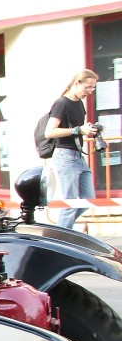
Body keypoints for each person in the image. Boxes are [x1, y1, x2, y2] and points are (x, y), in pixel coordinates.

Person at [44, 69, 100, 230]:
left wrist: (88, 129)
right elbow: (49, 132)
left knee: (88, 200)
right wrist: (78, 130)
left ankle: (61, 231)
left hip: (78, 156)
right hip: (65, 156)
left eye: (92, 88)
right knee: (70, 203)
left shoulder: (78, 104)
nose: (89, 92)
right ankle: (61, 237)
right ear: (77, 83)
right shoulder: (61, 104)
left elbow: (78, 129)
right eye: (87, 87)